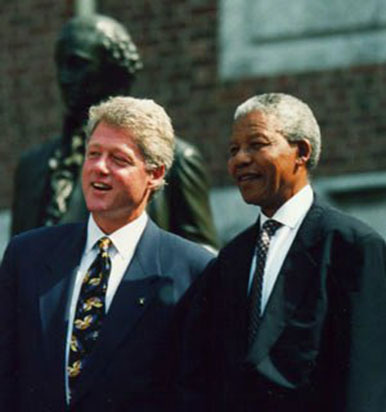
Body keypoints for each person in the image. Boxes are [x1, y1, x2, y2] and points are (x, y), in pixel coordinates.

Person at [0, 96, 214, 411]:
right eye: (93, 154)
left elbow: (196, 395)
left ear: (154, 174)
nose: (99, 167)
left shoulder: (193, 271)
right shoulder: (27, 254)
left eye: (118, 159)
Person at [181, 93, 386, 412]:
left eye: (256, 144)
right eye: (233, 150)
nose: (240, 159)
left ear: (301, 152)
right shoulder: (231, 259)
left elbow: (365, 379)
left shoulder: (352, 246)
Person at [11, 14, 219, 251]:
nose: (65, 78)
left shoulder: (178, 162)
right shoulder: (32, 166)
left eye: (78, 64)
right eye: (61, 65)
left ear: (114, 71)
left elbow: (202, 263)